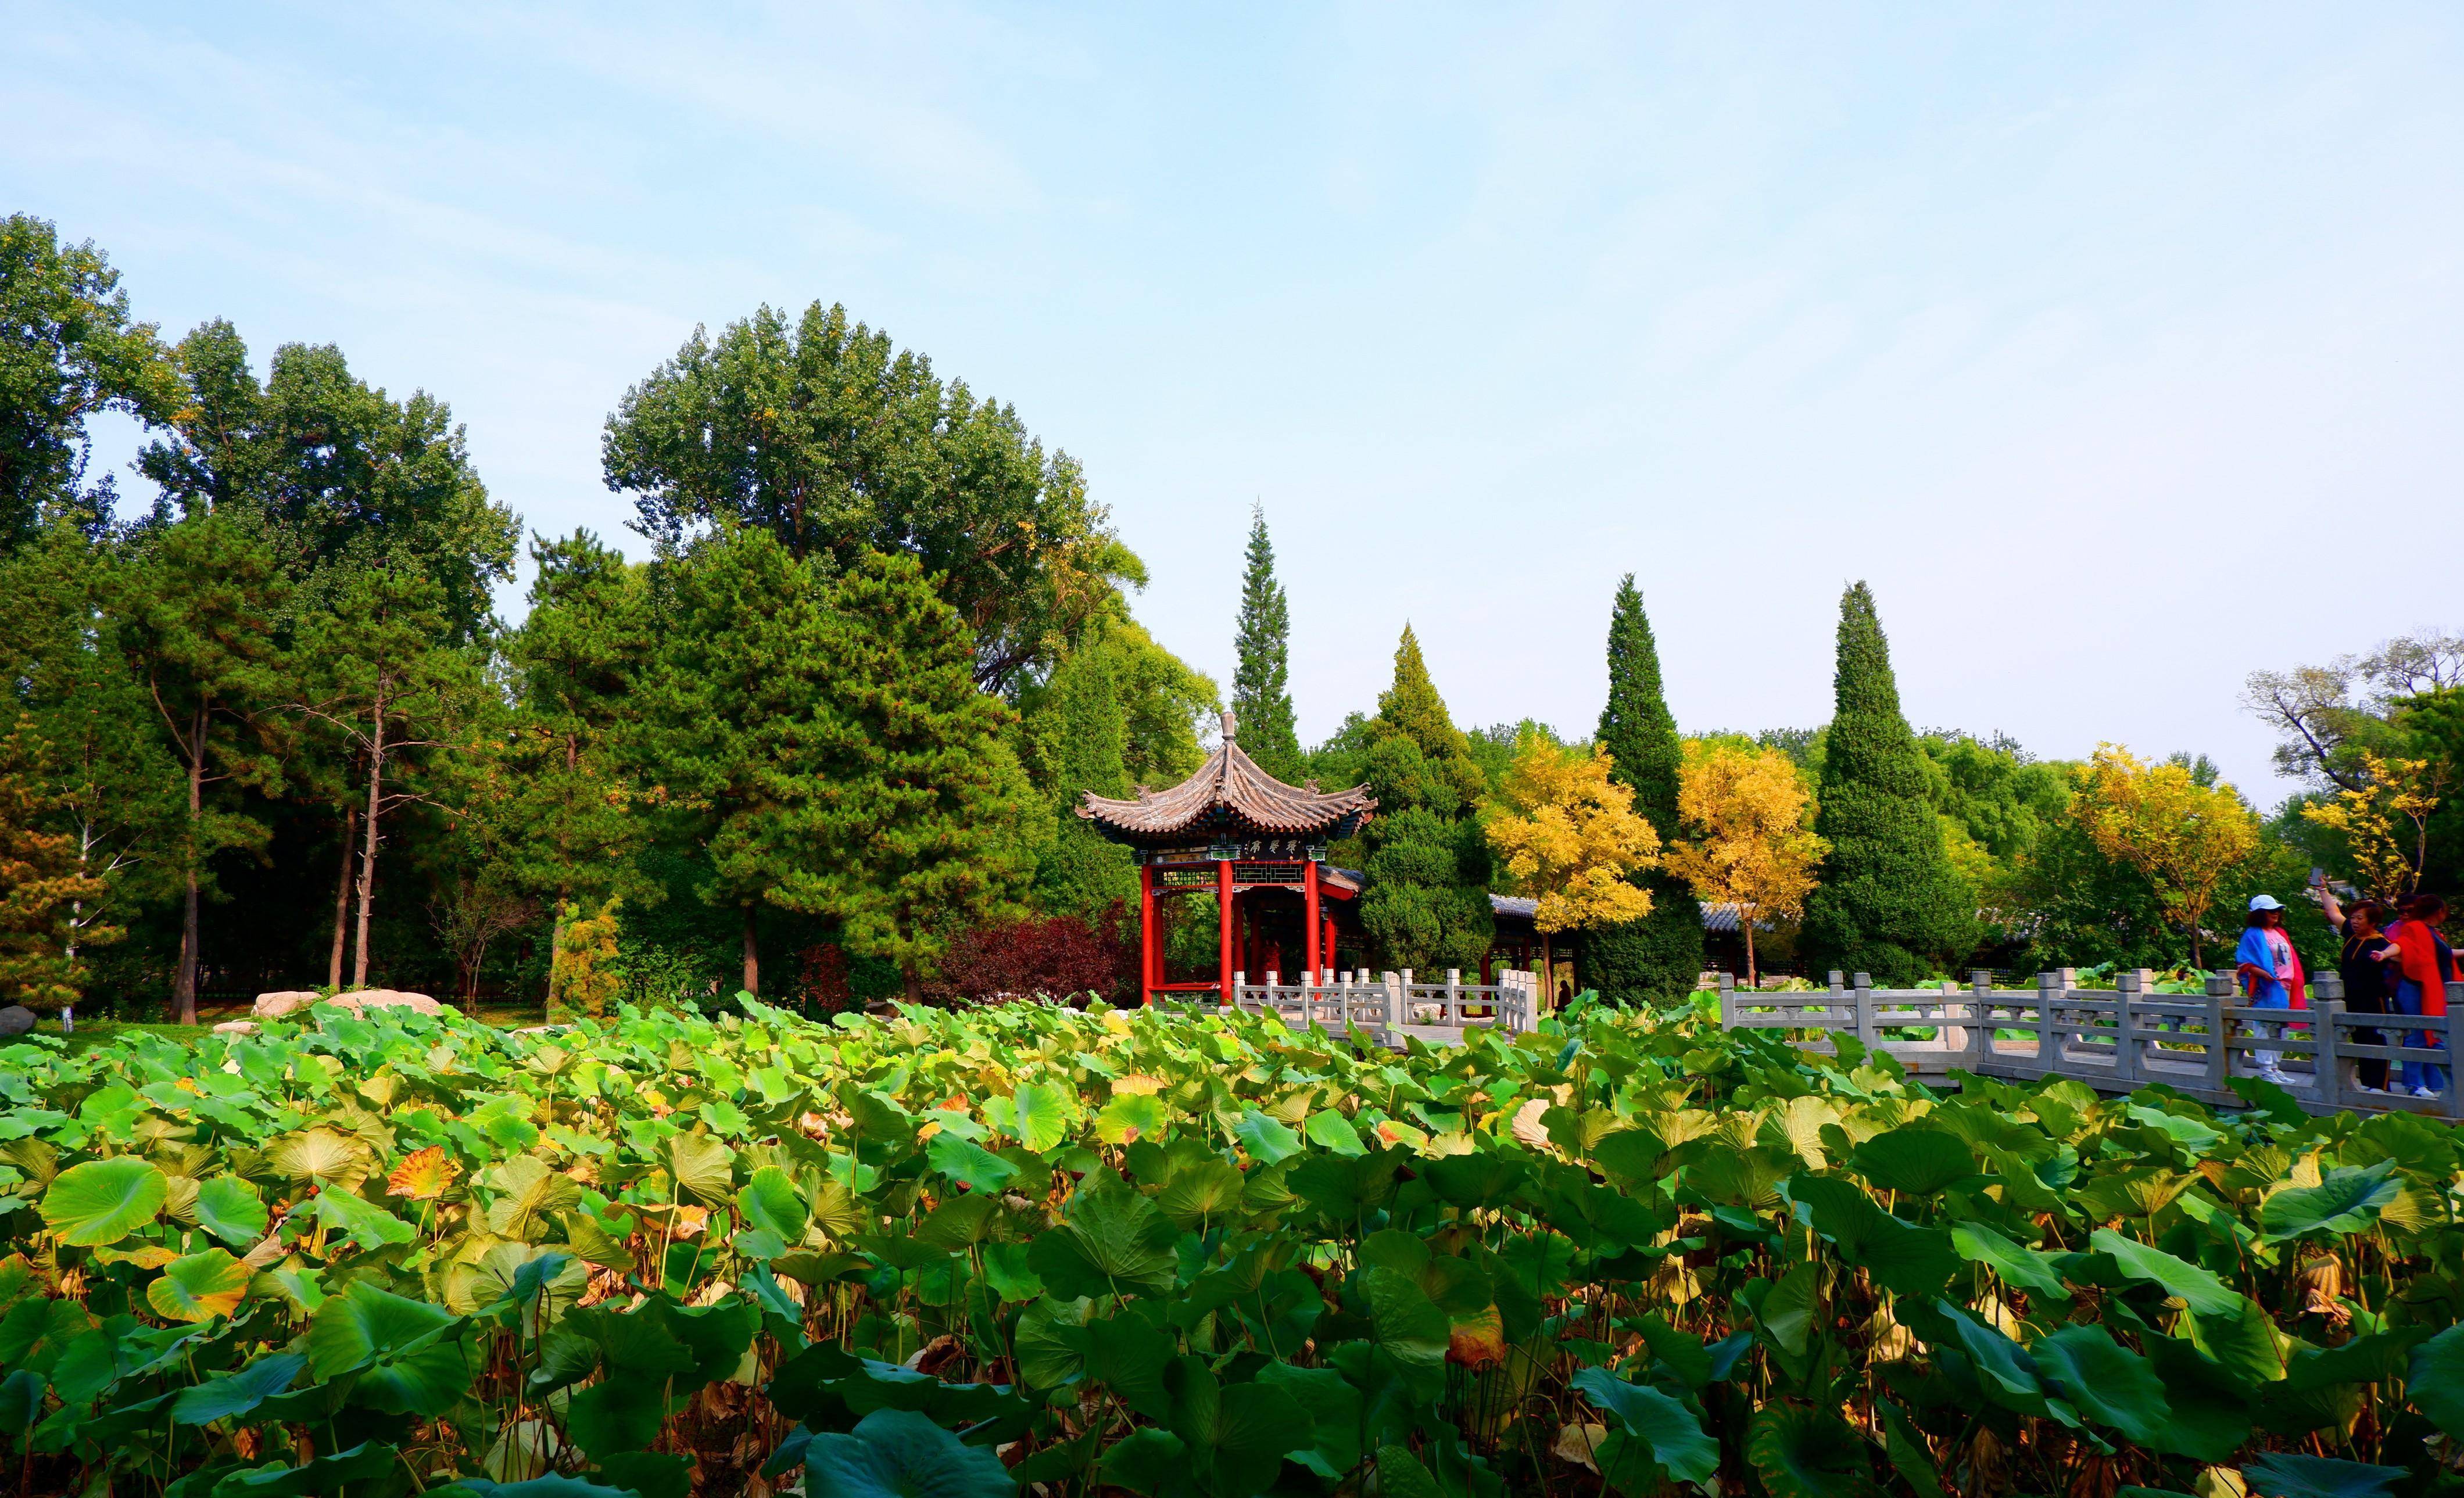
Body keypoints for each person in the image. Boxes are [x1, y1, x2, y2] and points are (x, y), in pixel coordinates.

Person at [2383, 894, 2452, 1097]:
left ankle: (2437, 1083)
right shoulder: (2414, 928)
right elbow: (2401, 945)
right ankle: (2415, 1084)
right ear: (2439, 911)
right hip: (2415, 987)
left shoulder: (2436, 934)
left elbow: (2446, 956)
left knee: (2437, 1036)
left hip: (2434, 988)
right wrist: (2385, 954)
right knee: (2418, 1034)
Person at [2329, 897, 2401, 1092]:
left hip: (2373, 998)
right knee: (2359, 1039)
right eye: (2353, 917)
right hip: (2350, 998)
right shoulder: (2351, 936)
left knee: (2375, 1038)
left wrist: (2385, 955)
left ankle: (2380, 1085)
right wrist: (2322, 889)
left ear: (2373, 922)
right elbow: (2334, 913)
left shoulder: (2381, 942)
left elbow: (2400, 953)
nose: (2354, 921)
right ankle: (2367, 1082)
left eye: (2359, 918)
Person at [2234, 894, 2304, 1085]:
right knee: (2264, 1026)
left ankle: (2276, 1067)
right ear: (2259, 914)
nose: (2275, 914)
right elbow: (2243, 963)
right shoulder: (2252, 934)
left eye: (2277, 910)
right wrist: (2264, 974)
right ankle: (2266, 1069)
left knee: (2281, 1028)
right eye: (2270, 911)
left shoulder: (2280, 932)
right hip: (2267, 987)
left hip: (2285, 986)